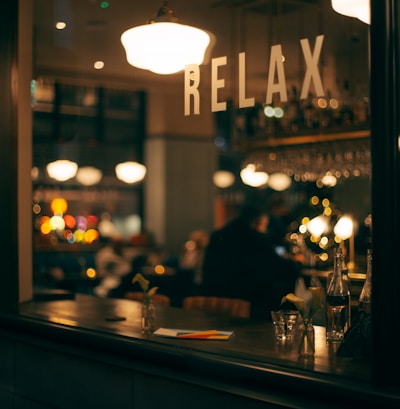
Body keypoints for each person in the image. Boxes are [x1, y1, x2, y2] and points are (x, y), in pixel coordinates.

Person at [201, 204, 302, 319]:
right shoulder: (256, 238)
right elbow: (280, 269)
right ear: (258, 221)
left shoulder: (218, 235)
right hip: (247, 305)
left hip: (214, 301)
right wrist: (296, 263)